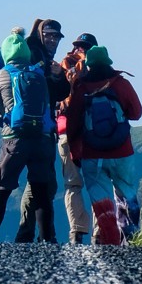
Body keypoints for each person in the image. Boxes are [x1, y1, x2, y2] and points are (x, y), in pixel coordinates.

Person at [0, 22, 63, 242]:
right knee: (41, 192)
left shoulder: (1, 75)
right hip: (40, 138)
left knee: (2, 190)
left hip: (14, 139)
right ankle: (48, 239)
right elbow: (47, 102)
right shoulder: (38, 73)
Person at [65, 43, 142, 245]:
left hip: (93, 154)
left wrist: (75, 153)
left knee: (102, 200)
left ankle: (110, 242)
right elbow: (136, 113)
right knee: (127, 193)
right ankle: (132, 240)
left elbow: (72, 123)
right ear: (108, 62)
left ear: (89, 65)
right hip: (122, 151)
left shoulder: (82, 88)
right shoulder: (120, 83)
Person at [24, 30, 95, 244]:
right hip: (92, 132)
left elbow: (57, 96)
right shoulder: (99, 68)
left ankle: (76, 231)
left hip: (65, 130)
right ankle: (101, 231)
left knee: (72, 184)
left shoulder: (64, 64)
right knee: (96, 183)